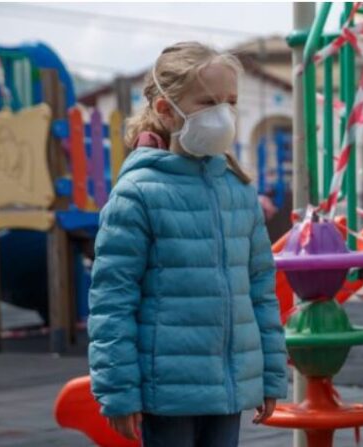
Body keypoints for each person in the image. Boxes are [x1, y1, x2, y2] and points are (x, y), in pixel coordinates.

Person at [87, 41, 288, 447]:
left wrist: (269, 376)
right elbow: (113, 301)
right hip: (167, 394)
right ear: (165, 109)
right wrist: (118, 391)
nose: (223, 114)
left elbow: (261, 292)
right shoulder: (138, 194)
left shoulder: (238, 189)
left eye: (230, 102)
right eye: (208, 102)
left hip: (228, 389)